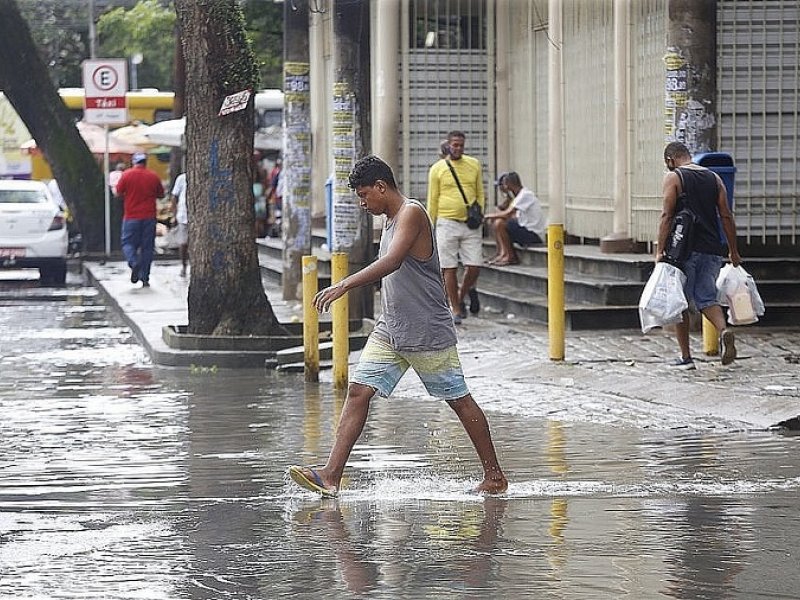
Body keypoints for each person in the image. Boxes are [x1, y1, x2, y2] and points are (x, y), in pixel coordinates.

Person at [288, 155, 507, 497]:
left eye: (364, 196)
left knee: (459, 400)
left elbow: (391, 262)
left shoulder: (411, 213)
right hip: (391, 327)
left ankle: (494, 476)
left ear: (381, 187)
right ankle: (330, 476)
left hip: (425, 329)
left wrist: (343, 284)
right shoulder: (389, 220)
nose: (362, 204)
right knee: (359, 391)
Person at [657, 141, 742, 369]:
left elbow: (667, 215)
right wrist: (733, 250)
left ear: (670, 160)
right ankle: (724, 331)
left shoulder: (674, 178)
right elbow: (726, 215)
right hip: (712, 248)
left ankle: (686, 357)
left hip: (684, 249)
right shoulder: (714, 178)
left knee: (680, 301)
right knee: (707, 298)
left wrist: (659, 250)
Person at [427, 130, 485, 323]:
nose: (458, 148)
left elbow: (480, 192)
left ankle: (460, 296)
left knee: (474, 265)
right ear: (448, 145)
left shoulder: (473, 164)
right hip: (446, 222)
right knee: (448, 267)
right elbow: (432, 199)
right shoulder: (438, 168)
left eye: (461, 145)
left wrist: (480, 213)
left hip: (470, 223)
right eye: (455, 145)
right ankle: (456, 307)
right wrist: (430, 225)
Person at [116, 152, 164, 287]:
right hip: (149, 217)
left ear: (134, 162)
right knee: (147, 248)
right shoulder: (153, 176)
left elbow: (118, 192)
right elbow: (161, 194)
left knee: (127, 243)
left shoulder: (126, 175)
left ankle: (133, 262)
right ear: (145, 162)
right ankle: (145, 277)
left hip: (131, 217)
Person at [483, 171, 545, 265]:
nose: (503, 187)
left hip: (533, 234)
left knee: (499, 223)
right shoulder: (517, 196)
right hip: (525, 229)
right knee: (497, 222)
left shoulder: (525, 195)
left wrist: (487, 216)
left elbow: (507, 214)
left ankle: (510, 256)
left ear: (509, 184)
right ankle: (502, 253)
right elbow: (504, 210)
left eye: (504, 184)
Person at [169, 172, 189, 277]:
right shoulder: (181, 178)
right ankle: (184, 266)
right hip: (183, 215)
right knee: (183, 242)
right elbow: (174, 197)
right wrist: (174, 214)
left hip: (187, 214)